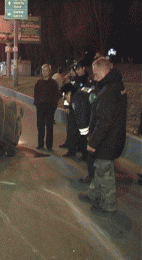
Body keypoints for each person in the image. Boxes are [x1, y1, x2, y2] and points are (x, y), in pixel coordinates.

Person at [78, 57, 127, 214]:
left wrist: (92, 142)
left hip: (108, 141)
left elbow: (104, 122)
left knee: (105, 174)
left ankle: (108, 205)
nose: (94, 76)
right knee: (99, 170)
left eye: (96, 72)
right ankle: (93, 195)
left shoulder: (109, 91)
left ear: (104, 71)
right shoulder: (115, 86)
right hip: (112, 138)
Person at [62, 60, 93, 160]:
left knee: (83, 134)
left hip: (83, 112)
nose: (76, 71)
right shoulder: (75, 80)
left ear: (83, 68)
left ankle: (84, 154)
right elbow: (67, 94)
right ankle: (71, 151)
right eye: (75, 70)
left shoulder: (88, 81)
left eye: (78, 69)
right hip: (73, 110)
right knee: (71, 131)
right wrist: (67, 106)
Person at [33, 64, 61, 151]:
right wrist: (37, 104)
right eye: (43, 70)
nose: (44, 72)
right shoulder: (38, 83)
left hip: (50, 108)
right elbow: (36, 94)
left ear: (49, 72)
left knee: (49, 127)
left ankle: (49, 146)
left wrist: (54, 105)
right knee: (40, 126)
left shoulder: (53, 83)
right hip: (40, 108)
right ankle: (40, 144)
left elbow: (57, 95)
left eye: (46, 70)